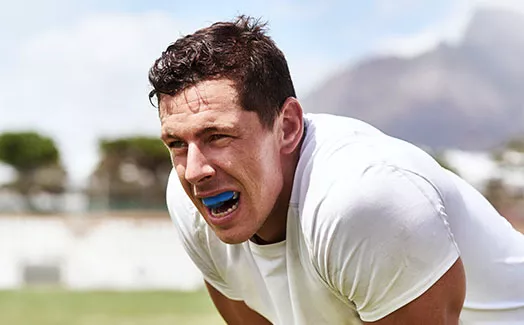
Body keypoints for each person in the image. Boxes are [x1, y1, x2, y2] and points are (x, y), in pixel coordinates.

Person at [148, 15, 524, 324]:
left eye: (218, 136)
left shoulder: (362, 198)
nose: (195, 171)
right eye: (177, 143)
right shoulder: (191, 204)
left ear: (288, 127)